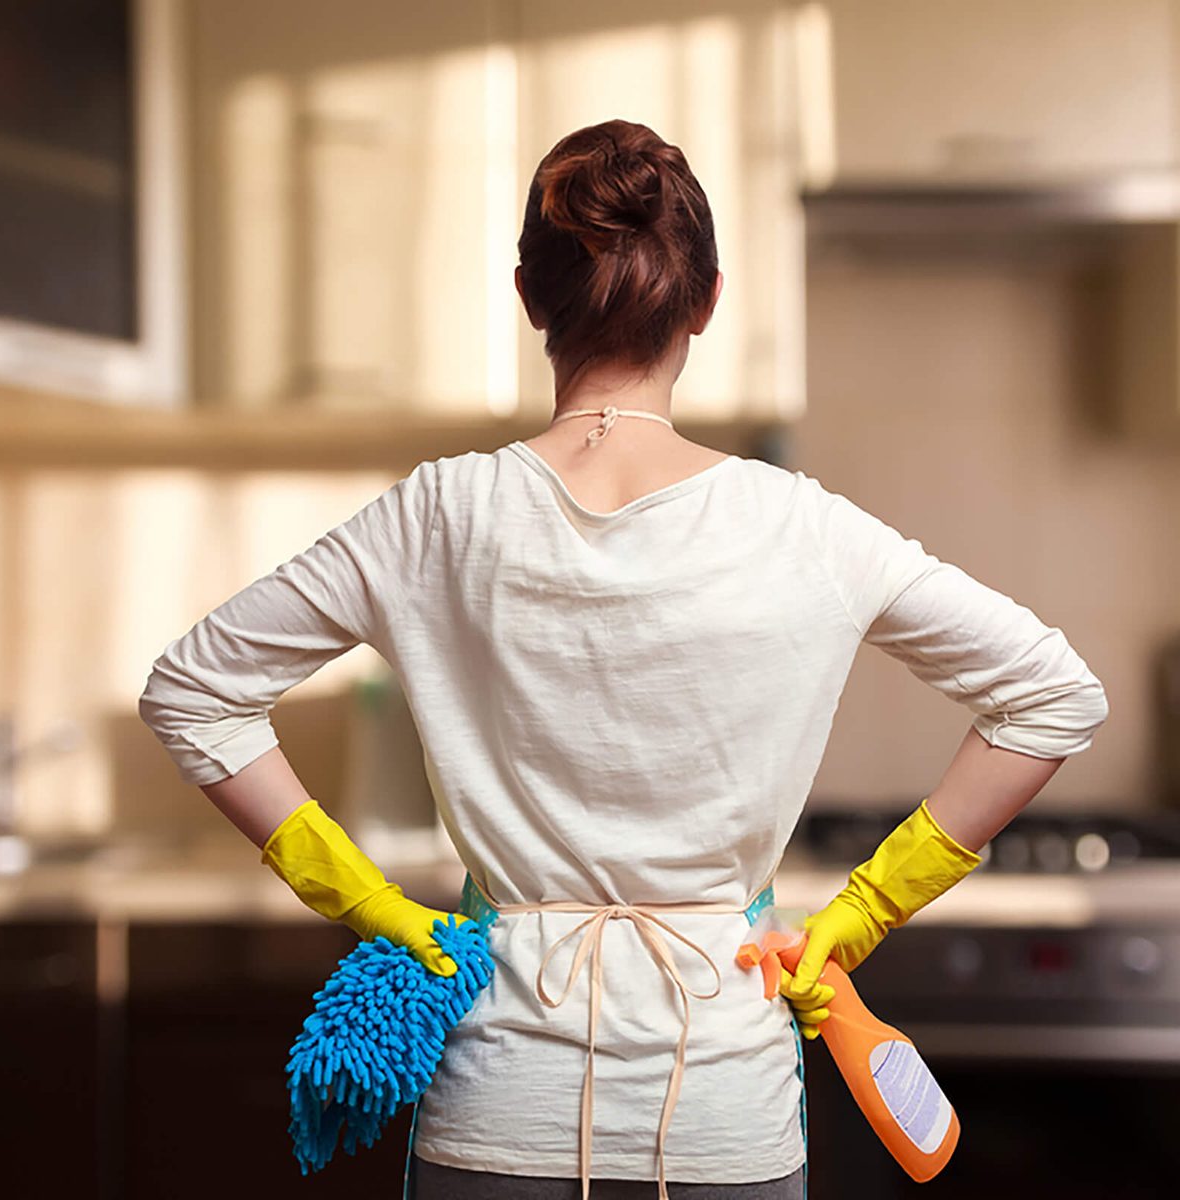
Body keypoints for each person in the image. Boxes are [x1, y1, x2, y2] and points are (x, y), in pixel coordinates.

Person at [137, 119, 1110, 1200]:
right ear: (707, 301)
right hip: (723, 1115)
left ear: (529, 296)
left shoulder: (439, 516)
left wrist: (378, 911)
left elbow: (193, 691)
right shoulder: (807, 529)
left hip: (497, 1106)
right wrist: (865, 910)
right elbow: (1052, 697)